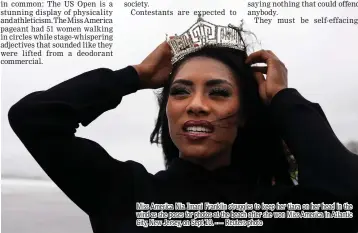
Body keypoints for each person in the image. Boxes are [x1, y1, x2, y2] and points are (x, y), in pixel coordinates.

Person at [8, 17, 358, 233]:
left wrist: (283, 98)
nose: (196, 105)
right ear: (168, 113)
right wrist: (136, 76)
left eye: (218, 92)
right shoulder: (128, 195)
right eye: (180, 92)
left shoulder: (287, 209)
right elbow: (35, 118)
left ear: (246, 113)